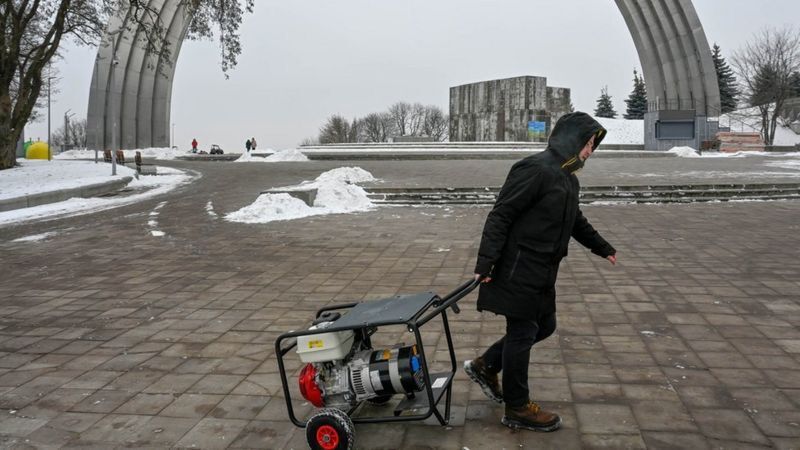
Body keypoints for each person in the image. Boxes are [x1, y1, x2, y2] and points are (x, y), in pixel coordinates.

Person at [464, 111, 617, 433]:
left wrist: (602, 247)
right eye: (588, 144)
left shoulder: (567, 178)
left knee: (545, 325)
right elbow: (501, 215)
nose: (590, 151)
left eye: (593, 146)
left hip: (543, 269)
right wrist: (486, 262)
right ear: (572, 140)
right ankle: (517, 407)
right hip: (517, 267)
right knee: (522, 332)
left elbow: (574, 220)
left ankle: (486, 364)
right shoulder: (534, 169)